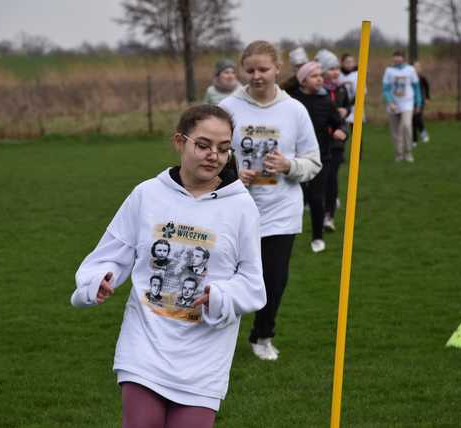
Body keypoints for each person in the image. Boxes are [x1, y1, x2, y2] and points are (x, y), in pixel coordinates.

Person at [71, 104, 266, 427]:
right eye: (202, 145)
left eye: (222, 149)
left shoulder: (242, 208)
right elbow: (109, 253)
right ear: (180, 141)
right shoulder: (146, 194)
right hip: (145, 344)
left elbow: (252, 283)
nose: (213, 156)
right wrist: (98, 278)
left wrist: (220, 296)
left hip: (205, 355)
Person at [219, 40, 321, 360]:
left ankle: (262, 336)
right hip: (235, 209)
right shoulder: (227, 109)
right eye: (250, 70)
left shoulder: (295, 111)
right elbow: (213, 156)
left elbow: (313, 162)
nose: (257, 75)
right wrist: (233, 175)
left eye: (264, 69)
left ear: (278, 69)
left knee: (273, 279)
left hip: (281, 209)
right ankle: (214, 335)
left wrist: (289, 166)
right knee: (226, 277)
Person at [287, 61, 347, 253]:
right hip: (293, 160)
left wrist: (341, 131)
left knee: (316, 198)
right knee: (294, 198)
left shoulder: (326, 101)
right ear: (303, 81)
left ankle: (318, 238)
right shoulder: (291, 102)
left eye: (321, 74)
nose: (320, 78)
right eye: (314, 76)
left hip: (321, 158)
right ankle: (287, 233)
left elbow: (340, 123)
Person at [316, 49, 351, 232]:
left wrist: (345, 112)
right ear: (321, 71)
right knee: (319, 181)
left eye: (337, 68)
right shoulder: (315, 93)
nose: (335, 72)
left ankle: (329, 216)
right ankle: (318, 213)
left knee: (332, 178)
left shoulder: (341, 89)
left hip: (336, 142)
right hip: (319, 142)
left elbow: (347, 107)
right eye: (331, 69)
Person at [382, 50, 422, 162]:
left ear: (403, 58)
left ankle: (408, 152)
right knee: (395, 131)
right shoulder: (389, 71)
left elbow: (416, 87)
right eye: (395, 56)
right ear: (392, 58)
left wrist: (418, 103)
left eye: (399, 56)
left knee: (406, 126)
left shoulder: (410, 70)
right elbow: (386, 89)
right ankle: (399, 154)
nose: (397, 59)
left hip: (407, 103)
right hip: (393, 104)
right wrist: (390, 102)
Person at [412, 60, 431, 145]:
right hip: (411, 101)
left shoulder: (422, 78)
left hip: (420, 101)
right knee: (412, 120)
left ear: (420, 69)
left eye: (418, 67)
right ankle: (414, 140)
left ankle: (423, 133)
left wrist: (427, 98)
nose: (416, 68)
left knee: (417, 117)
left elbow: (427, 87)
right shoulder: (410, 77)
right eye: (414, 67)